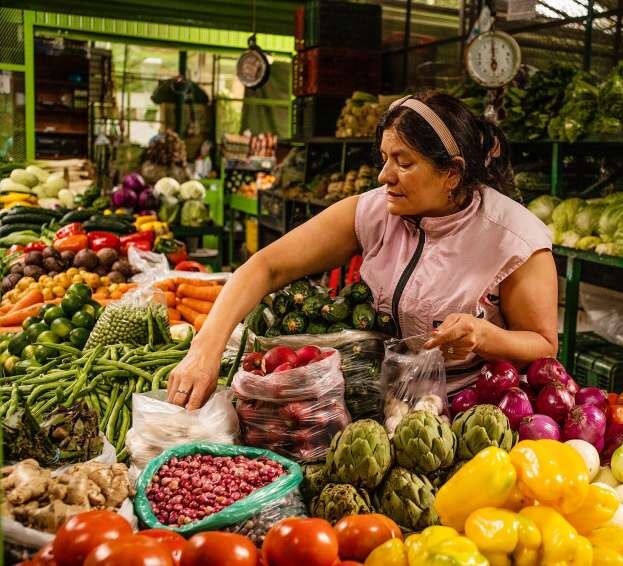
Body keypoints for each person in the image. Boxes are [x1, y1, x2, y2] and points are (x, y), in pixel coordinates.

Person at [168, 92, 558, 409]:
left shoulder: (515, 240)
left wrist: (485, 336)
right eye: (384, 159)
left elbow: (543, 345)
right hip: (381, 403)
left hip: (474, 410)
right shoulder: (376, 211)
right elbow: (266, 267)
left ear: (452, 173)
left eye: (403, 162)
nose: (384, 175)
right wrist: (205, 349)